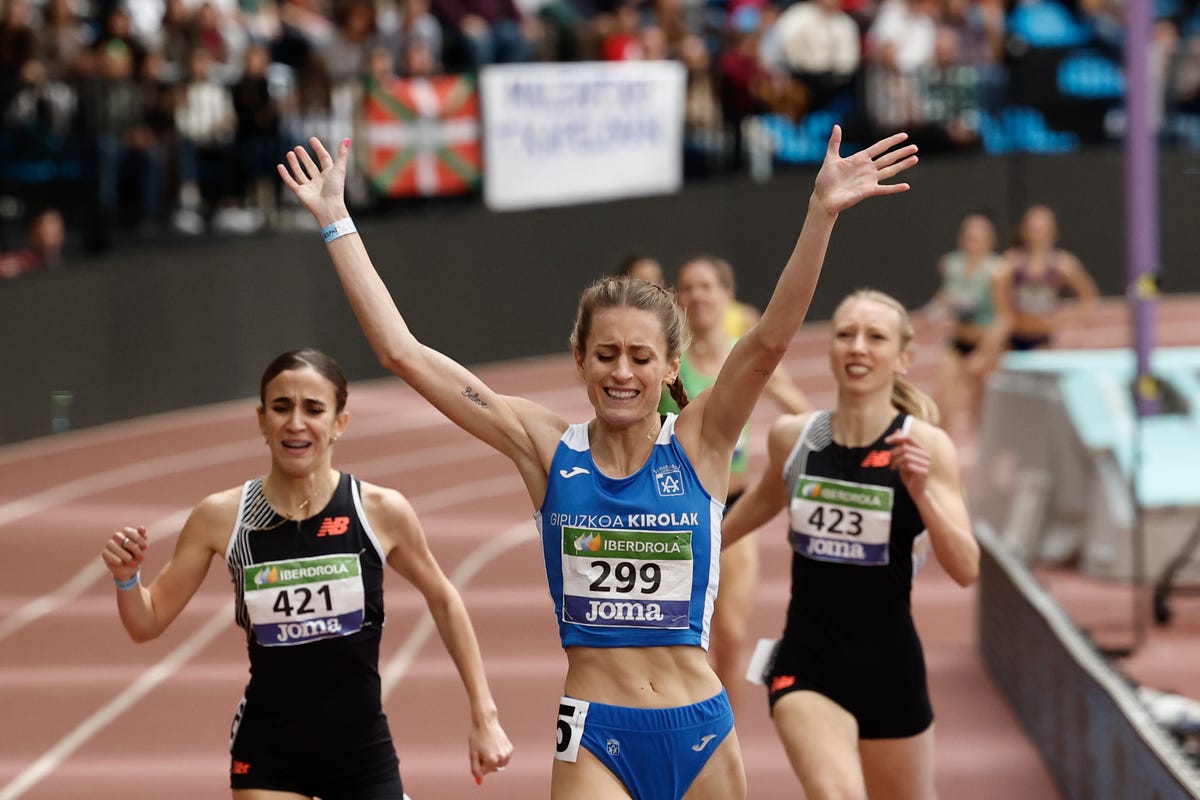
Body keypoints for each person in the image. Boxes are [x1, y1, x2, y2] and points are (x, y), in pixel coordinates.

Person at [277, 126, 917, 800]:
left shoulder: (698, 442)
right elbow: (401, 352)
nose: (622, 372)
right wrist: (336, 221)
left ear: (671, 366)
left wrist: (819, 215)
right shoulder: (546, 448)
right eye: (606, 354)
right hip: (596, 733)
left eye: (641, 358)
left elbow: (767, 342)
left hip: (699, 727)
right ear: (579, 359)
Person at [100, 348, 512, 799]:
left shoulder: (378, 511)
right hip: (270, 753)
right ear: (261, 420)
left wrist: (484, 716)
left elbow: (444, 598)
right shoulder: (223, 517)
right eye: (281, 407)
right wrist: (126, 578)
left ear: (339, 423)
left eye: (314, 409)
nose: (296, 422)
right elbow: (147, 620)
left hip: (361, 751)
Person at [722, 289, 980, 800]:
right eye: (845, 334)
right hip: (806, 664)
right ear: (831, 349)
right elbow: (752, 509)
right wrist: (684, 545)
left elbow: (966, 567)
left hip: (891, 669)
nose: (858, 347)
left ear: (903, 358)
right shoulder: (795, 438)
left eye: (875, 337)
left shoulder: (926, 446)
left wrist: (922, 494)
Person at [658, 253, 811, 718]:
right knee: (672, 638)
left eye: (707, 287)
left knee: (729, 635)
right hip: (673, 510)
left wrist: (827, 444)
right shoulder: (667, 360)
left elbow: (796, 406)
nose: (697, 296)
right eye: (687, 287)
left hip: (732, 508)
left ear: (727, 296)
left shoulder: (744, 358)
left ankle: (725, 738)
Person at [926, 212, 1003, 436]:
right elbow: (946, 294)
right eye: (968, 236)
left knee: (980, 409)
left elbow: (1003, 317)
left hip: (984, 345)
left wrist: (985, 354)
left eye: (978, 238)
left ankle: (984, 458)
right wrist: (932, 312)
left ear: (990, 240)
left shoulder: (998, 271)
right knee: (942, 401)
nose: (972, 242)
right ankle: (944, 451)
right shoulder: (951, 264)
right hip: (957, 342)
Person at [986, 204, 1099, 354]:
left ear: (1053, 232)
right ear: (1023, 230)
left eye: (1042, 229)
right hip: (1015, 337)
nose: (1037, 234)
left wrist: (1077, 327)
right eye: (1033, 229)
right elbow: (995, 288)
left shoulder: (1063, 264)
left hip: (1046, 339)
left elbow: (1088, 295)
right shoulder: (1012, 262)